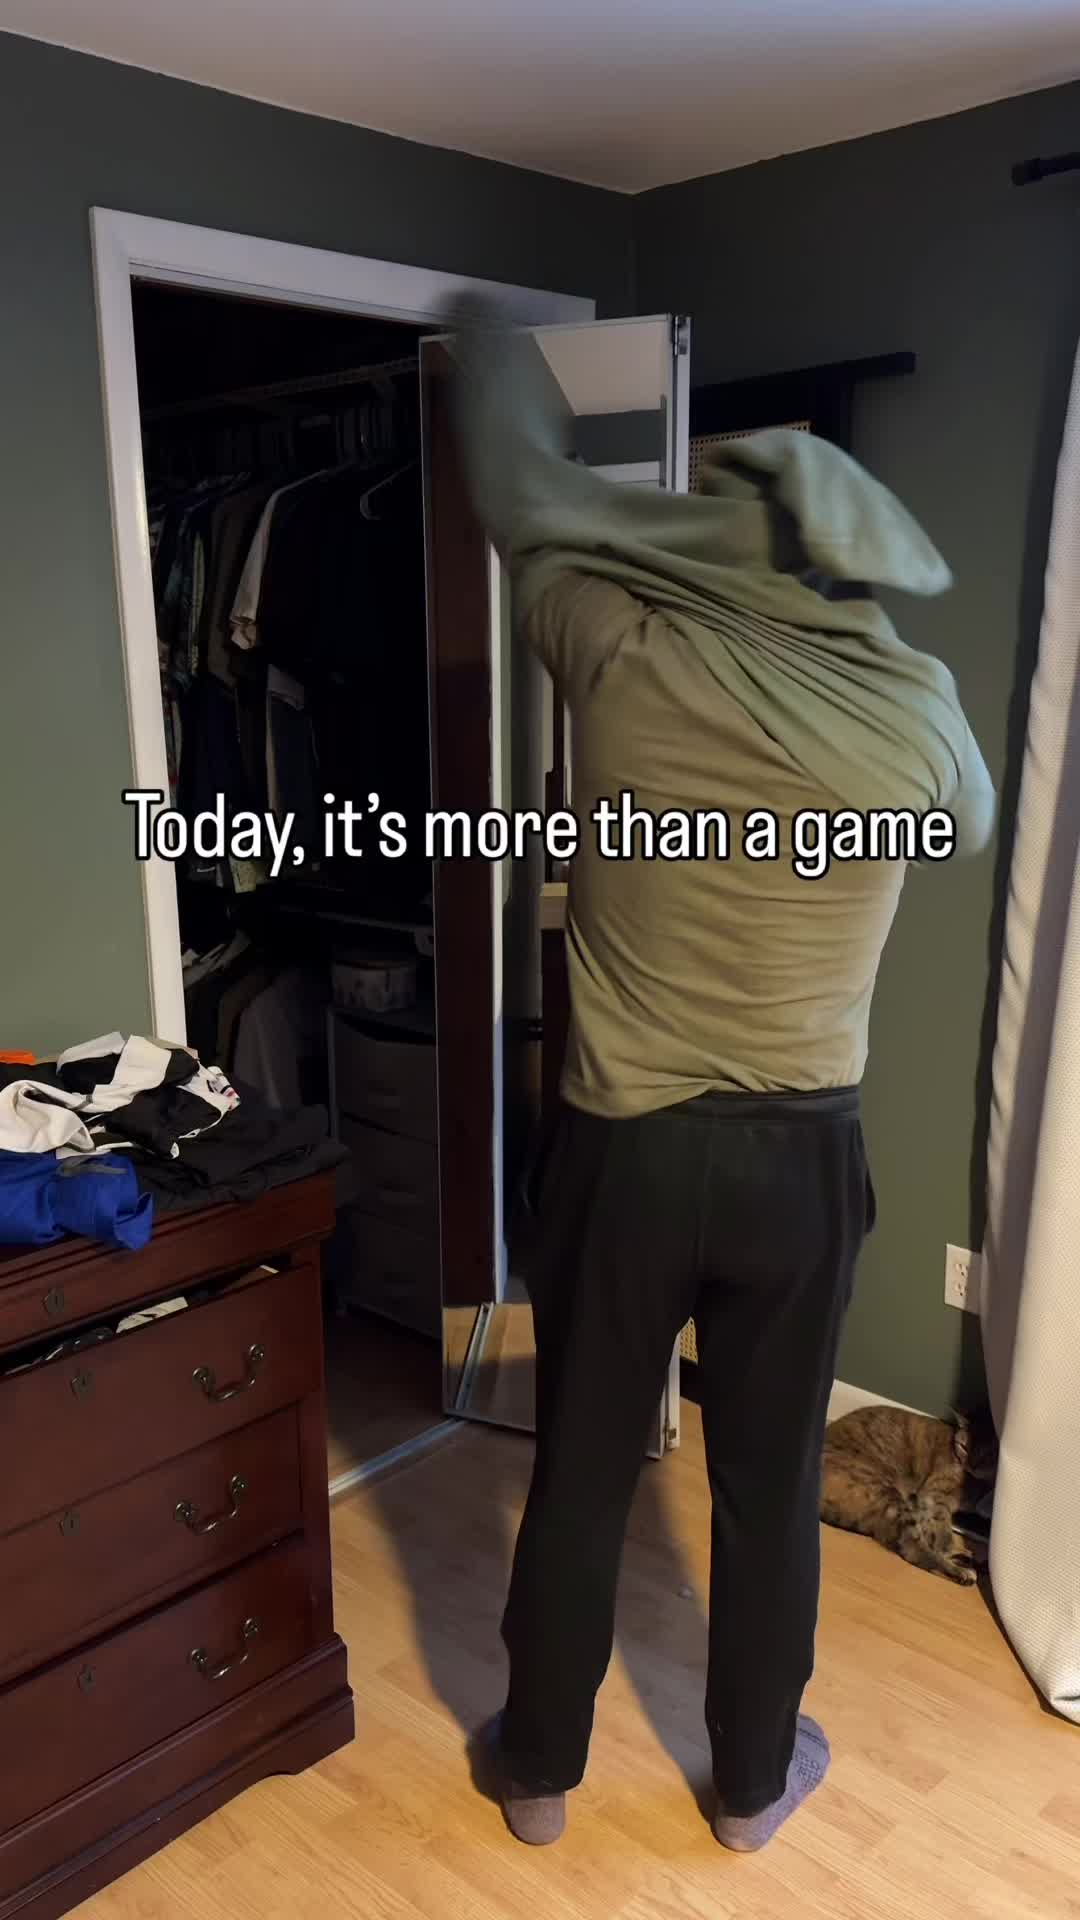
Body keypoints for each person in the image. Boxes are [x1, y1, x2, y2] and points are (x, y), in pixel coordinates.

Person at [443, 299, 996, 1852]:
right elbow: (968, 819)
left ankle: (538, 1773)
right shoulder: (913, 717)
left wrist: (490, 333)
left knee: (579, 1473)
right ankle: (751, 1787)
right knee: (766, 1487)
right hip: (802, 1167)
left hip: (627, 1154)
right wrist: (859, 644)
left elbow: (519, 492)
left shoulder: (614, 643)